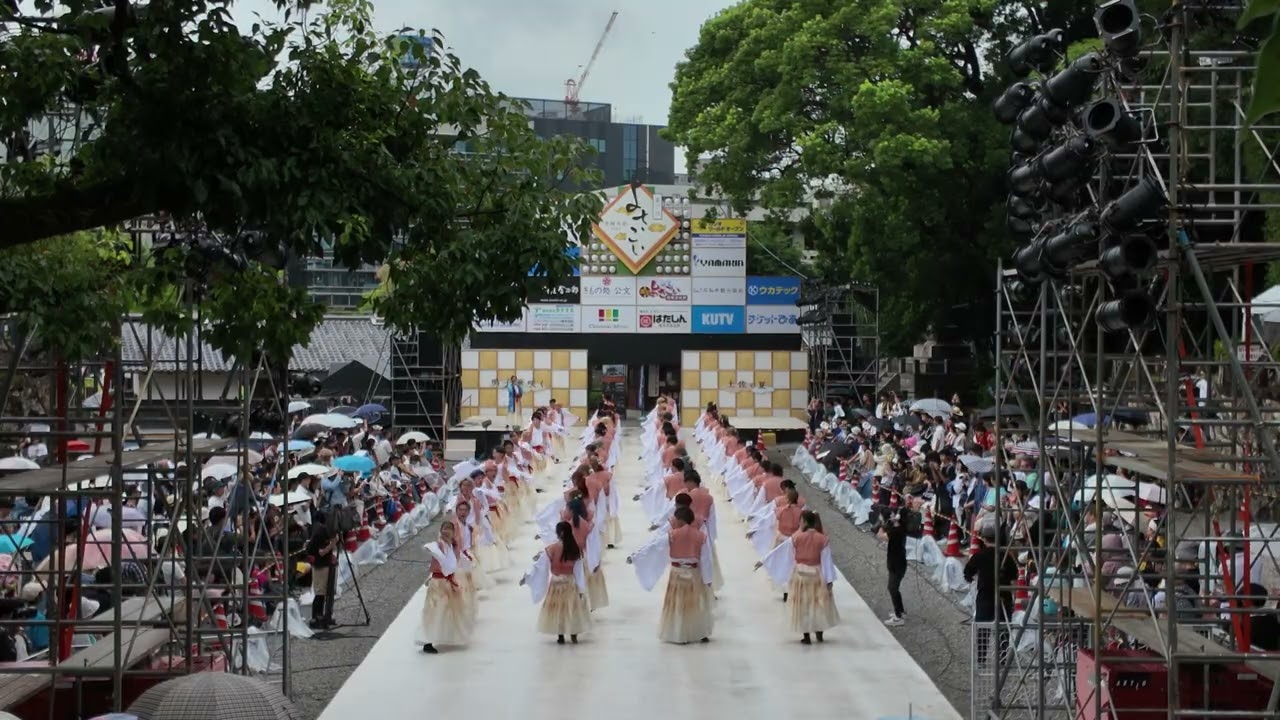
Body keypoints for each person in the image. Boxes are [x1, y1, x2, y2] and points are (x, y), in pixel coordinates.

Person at [626, 506, 714, 645]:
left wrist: (636, 557)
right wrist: (708, 578)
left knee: (678, 605)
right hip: (694, 573)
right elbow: (706, 559)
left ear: (681, 520)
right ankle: (700, 632)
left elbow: (654, 547)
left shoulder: (672, 535)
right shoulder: (701, 536)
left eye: (675, 519)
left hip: (677, 573)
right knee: (695, 604)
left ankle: (678, 633)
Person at [757, 509, 840, 644]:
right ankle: (819, 631)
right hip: (817, 574)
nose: (799, 523)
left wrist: (764, 560)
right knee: (817, 604)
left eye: (800, 521)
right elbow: (826, 560)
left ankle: (806, 635)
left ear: (805, 522)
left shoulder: (796, 538)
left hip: (800, 574)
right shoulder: (822, 539)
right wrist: (829, 579)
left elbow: (782, 551)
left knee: (803, 605)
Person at [520, 521, 591, 644]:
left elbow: (539, 566)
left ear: (560, 533)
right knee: (571, 608)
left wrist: (527, 577)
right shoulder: (576, 549)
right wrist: (581, 589)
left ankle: (560, 635)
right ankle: (574, 634)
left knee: (558, 609)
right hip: (570, 583)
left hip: (556, 583)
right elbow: (579, 571)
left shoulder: (551, 549)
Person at [418, 522, 474, 654]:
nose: (447, 532)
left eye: (449, 530)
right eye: (444, 529)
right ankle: (428, 640)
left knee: (448, 609)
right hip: (438, 583)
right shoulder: (439, 545)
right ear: (441, 530)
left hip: (447, 581)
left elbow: (454, 563)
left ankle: (444, 634)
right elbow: (436, 556)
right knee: (436, 609)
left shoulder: (451, 546)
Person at [878, 503, 910, 627]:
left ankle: (898, 617)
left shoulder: (895, 531)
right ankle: (901, 611)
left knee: (892, 588)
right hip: (897, 562)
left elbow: (880, 535)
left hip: (897, 564)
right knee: (894, 588)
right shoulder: (900, 527)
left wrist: (882, 524)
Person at [305, 522, 338, 630]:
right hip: (320, 565)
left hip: (327, 564)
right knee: (320, 592)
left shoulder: (330, 531)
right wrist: (332, 545)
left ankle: (326, 616)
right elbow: (321, 552)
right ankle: (316, 618)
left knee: (328, 592)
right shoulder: (320, 533)